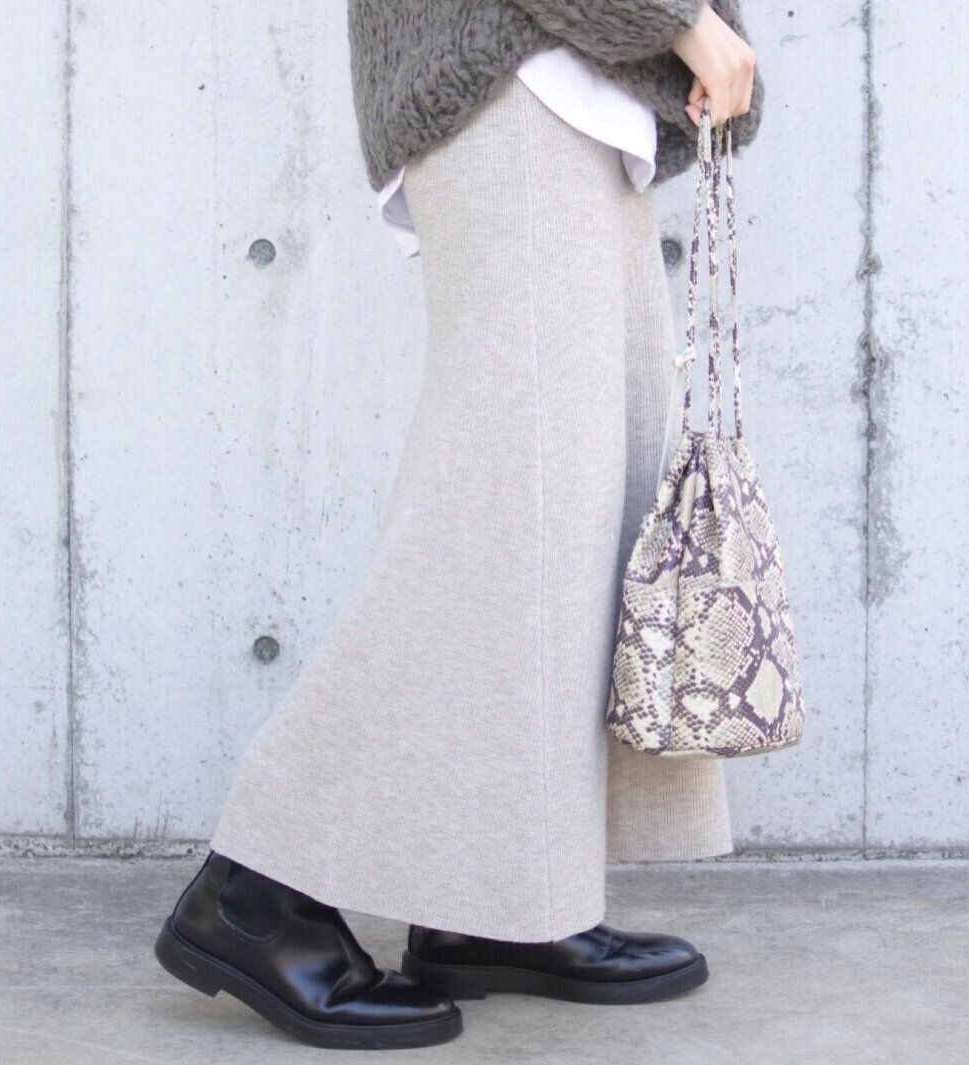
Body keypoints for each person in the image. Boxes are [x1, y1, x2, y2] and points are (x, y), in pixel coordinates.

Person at [155, 1, 762, 1050]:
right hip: (511, 74)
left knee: (568, 520)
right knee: (499, 515)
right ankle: (256, 890)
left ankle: (488, 900)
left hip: (569, 79)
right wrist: (680, 21)